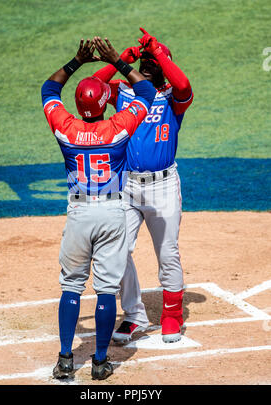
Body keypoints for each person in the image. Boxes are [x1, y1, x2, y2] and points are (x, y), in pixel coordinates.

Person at [41, 37, 156, 380]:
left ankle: (65, 359)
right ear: (106, 102)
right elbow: (147, 93)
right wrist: (119, 62)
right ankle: (100, 361)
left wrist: (78, 60)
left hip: (78, 216)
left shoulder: (66, 128)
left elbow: (48, 90)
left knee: (71, 287)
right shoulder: (117, 127)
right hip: (111, 215)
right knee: (106, 290)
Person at [92, 28, 194, 344]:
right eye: (145, 61)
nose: (147, 65)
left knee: (167, 253)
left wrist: (158, 52)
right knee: (114, 249)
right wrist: (122, 59)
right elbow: (94, 87)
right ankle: (135, 316)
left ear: (163, 66)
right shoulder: (123, 92)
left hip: (163, 187)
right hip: (127, 186)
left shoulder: (173, 99)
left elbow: (184, 84)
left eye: (152, 62)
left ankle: (172, 317)